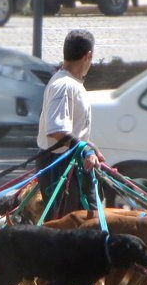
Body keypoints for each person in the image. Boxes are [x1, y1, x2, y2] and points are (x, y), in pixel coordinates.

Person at [35, 29, 103, 219]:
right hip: (60, 167)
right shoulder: (64, 86)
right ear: (88, 55)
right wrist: (85, 150)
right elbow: (56, 130)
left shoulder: (70, 83)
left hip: (70, 164)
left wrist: (90, 147)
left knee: (87, 223)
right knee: (75, 225)